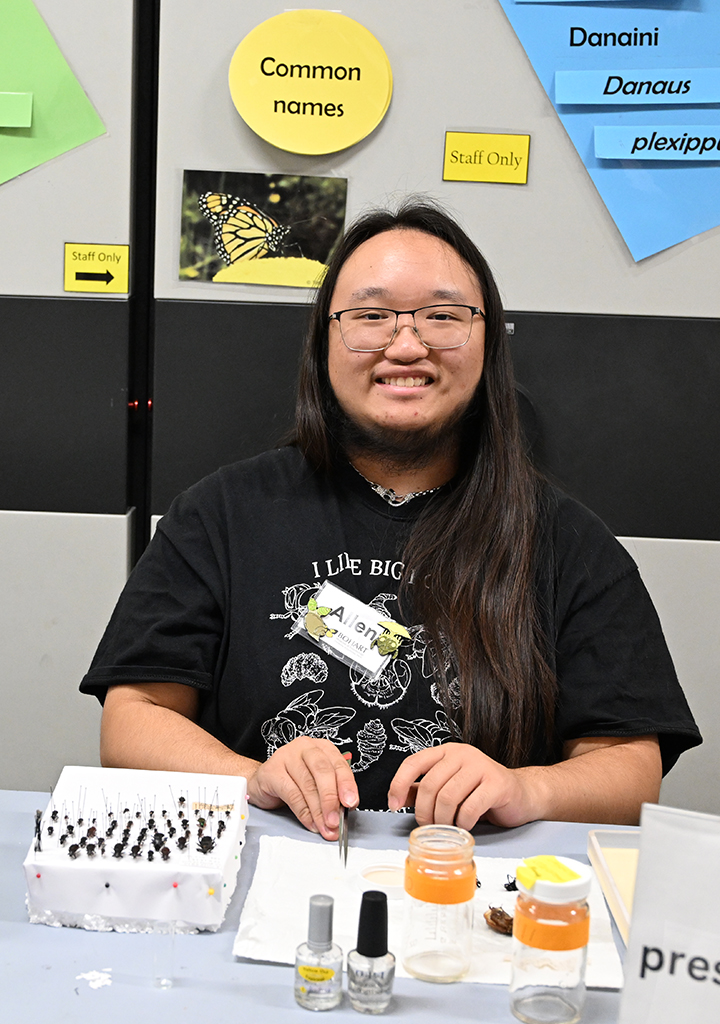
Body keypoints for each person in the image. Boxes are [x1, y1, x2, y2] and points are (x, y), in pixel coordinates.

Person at [81, 200, 700, 842]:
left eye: (443, 316)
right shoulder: (221, 514)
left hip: (478, 894)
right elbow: (134, 717)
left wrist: (528, 788)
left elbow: (631, 770)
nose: (406, 345)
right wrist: (250, 776)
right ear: (326, 340)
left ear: (489, 342)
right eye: (371, 316)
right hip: (263, 884)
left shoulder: (569, 542)